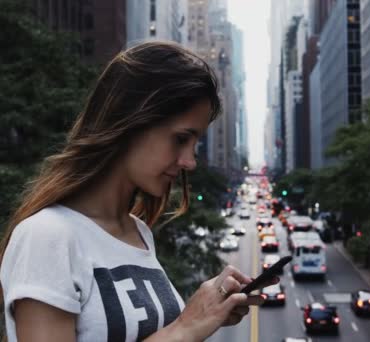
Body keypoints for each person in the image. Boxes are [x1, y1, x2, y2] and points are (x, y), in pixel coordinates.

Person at [0, 41, 277, 341]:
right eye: (181, 138)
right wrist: (187, 326)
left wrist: (206, 312)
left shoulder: (139, 233)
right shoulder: (46, 236)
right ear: (131, 122)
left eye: (195, 144)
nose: (190, 161)